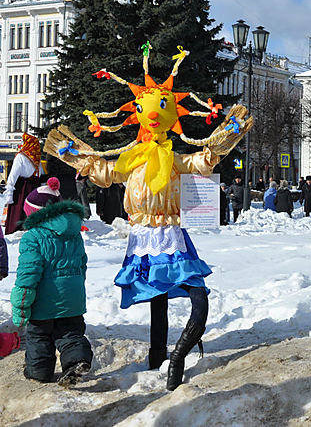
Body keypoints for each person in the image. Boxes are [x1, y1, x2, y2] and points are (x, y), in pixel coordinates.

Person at [45, 46, 251, 390]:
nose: (153, 116)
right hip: (142, 235)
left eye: (161, 109)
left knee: (197, 293)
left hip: (171, 234)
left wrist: (222, 141)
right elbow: (106, 170)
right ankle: (158, 355)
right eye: (145, 110)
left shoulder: (172, 157)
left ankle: (180, 354)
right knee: (156, 295)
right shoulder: (132, 157)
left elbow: (199, 162)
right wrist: (75, 156)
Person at [10, 178, 93, 386]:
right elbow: (82, 265)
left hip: (43, 303)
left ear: (35, 214)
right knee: (71, 334)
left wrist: (20, 305)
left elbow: (27, 275)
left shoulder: (33, 237)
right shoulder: (74, 234)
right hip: (72, 298)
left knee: (39, 337)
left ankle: (38, 372)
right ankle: (77, 361)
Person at [2, 133, 45, 235]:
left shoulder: (21, 157)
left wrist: (9, 192)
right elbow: (41, 174)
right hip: (34, 188)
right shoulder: (37, 158)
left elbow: (13, 175)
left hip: (21, 188)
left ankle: (15, 229)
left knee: (18, 209)